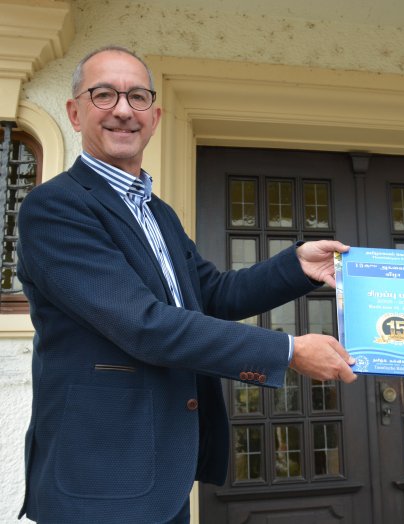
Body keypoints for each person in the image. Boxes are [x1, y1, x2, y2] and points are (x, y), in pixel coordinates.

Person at [16, 45, 357, 524]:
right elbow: (143, 324)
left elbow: (212, 296)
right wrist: (287, 351)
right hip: (102, 475)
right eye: (103, 95)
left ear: (154, 117)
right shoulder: (56, 208)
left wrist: (297, 266)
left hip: (161, 467)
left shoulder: (158, 214)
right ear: (74, 112)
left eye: (137, 97)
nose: (122, 110)